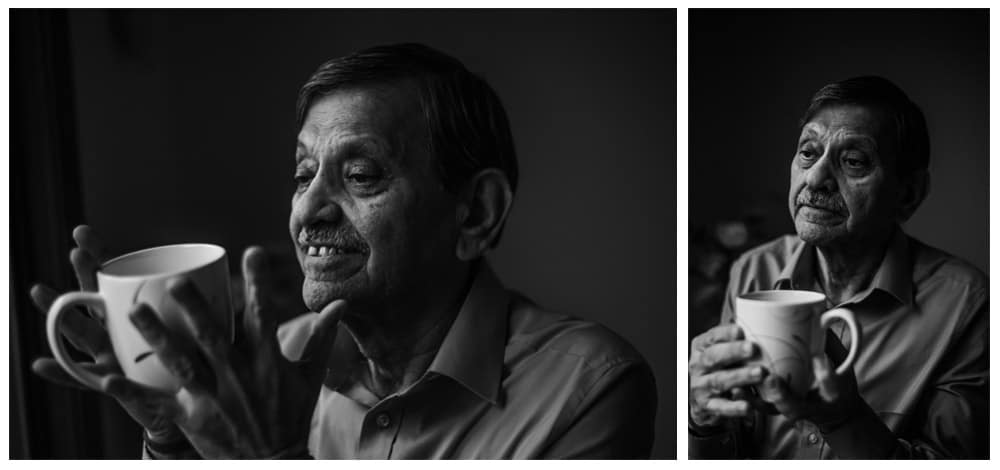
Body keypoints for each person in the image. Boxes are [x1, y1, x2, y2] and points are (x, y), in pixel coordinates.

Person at [30, 43, 657, 459]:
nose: (309, 211)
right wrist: (172, 443)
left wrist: (273, 460)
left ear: (476, 213)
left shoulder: (592, 388)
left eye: (360, 176)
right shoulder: (273, 361)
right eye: (304, 175)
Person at [688, 76, 988, 459]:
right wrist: (701, 420)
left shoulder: (967, 304)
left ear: (909, 193)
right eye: (808, 153)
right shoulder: (753, 269)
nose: (815, 178)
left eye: (854, 161)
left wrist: (845, 420)